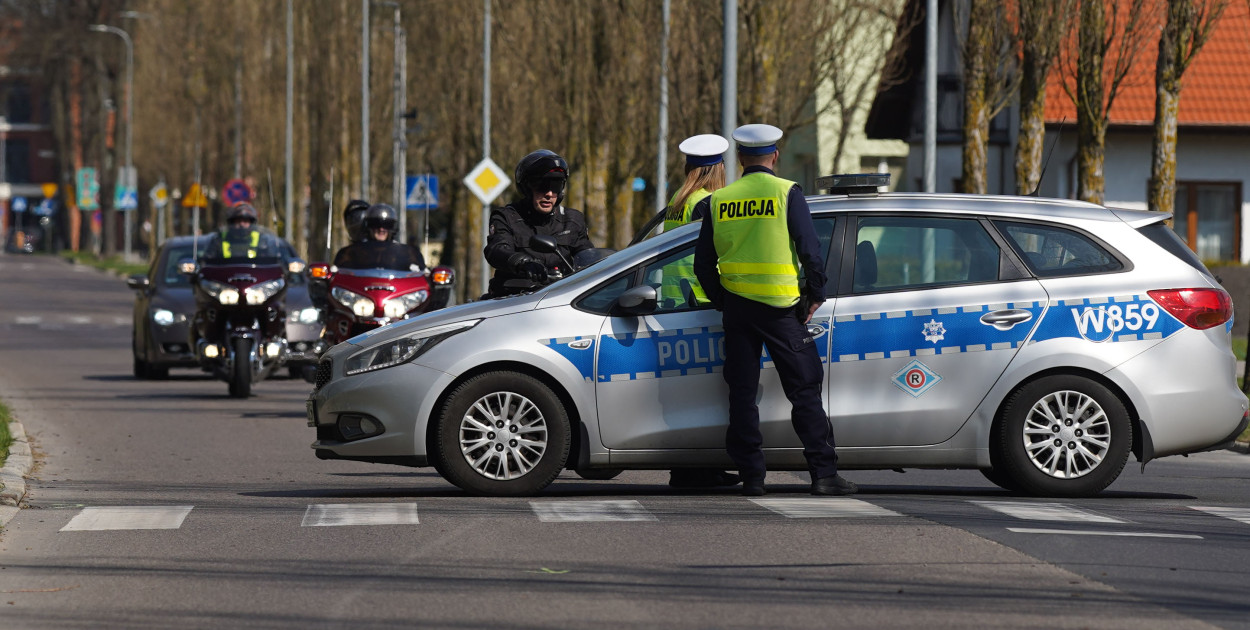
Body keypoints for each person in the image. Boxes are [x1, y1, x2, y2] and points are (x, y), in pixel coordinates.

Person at [692, 123, 855, 497]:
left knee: (742, 394)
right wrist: (816, 293)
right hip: (782, 312)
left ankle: (752, 477)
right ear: (775, 156)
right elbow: (809, 249)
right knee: (805, 390)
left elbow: (703, 265)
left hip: (738, 311)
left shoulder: (720, 200)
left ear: (740, 158)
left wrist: (723, 299)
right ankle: (823, 475)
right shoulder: (787, 193)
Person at [483, 149, 593, 297]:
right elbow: (496, 249)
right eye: (542, 186)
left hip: (561, 299)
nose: (549, 194)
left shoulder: (572, 220)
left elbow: (589, 258)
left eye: (556, 186)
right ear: (526, 187)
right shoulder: (507, 216)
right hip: (514, 300)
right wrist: (522, 263)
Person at [659, 133, 728, 308]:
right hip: (700, 297)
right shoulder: (707, 202)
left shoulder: (678, 198)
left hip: (674, 296)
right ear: (717, 169)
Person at [333, 203, 425, 271]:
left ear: (392, 228)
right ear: (368, 226)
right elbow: (338, 271)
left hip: (396, 294)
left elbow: (420, 272)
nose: (381, 229)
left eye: (387, 224)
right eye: (375, 224)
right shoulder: (355, 252)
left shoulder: (405, 253)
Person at [203, 202, 282, 260]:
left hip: (256, 278)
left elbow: (271, 262)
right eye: (238, 221)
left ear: (252, 223)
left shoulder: (262, 241)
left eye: (245, 221)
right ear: (232, 222)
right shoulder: (219, 240)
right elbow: (208, 260)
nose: (242, 224)